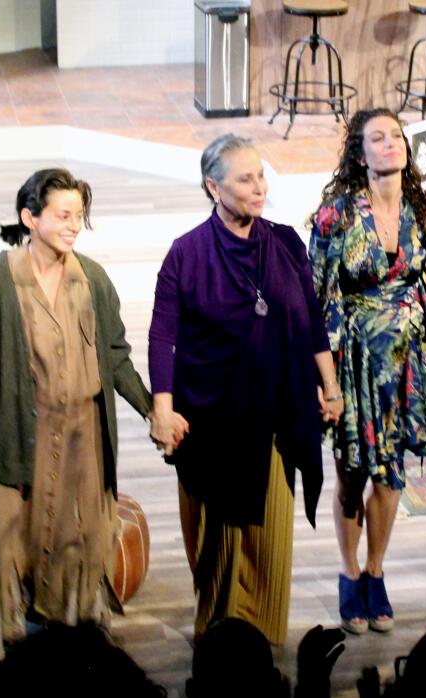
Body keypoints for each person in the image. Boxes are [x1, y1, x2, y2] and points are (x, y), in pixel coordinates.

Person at [0, 168, 153, 660]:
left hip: (82, 443)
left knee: (77, 548)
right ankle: (4, 665)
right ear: (29, 218)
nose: (74, 224)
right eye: (63, 215)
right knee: (10, 547)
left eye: (79, 215)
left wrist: (150, 410)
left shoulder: (92, 280)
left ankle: (73, 652)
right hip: (20, 438)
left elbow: (115, 355)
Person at [149, 134, 342, 646]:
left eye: (261, 176)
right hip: (212, 421)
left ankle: (261, 643)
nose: (259, 187)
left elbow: (310, 323)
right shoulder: (186, 254)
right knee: (216, 543)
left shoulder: (284, 242)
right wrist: (161, 408)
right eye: (245, 179)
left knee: (267, 542)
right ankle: (217, 642)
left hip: (275, 414)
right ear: (214, 187)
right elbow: (162, 334)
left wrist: (329, 384)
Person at [308, 108, 426, 634]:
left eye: (396, 136)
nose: (390, 144)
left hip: (404, 361)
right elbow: (314, 295)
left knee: (390, 477)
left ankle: (375, 571)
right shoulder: (336, 215)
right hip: (353, 360)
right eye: (377, 137)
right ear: (359, 152)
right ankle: (348, 574)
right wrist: (324, 379)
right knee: (352, 475)